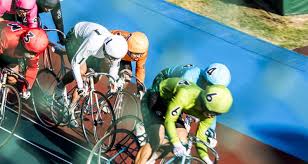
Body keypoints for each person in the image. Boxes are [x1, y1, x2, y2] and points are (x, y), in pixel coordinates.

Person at [135, 78, 233, 164]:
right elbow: (169, 121)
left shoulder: (210, 113)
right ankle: (143, 130)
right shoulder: (185, 94)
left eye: (217, 114)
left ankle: (150, 158)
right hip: (157, 97)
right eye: (211, 112)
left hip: (172, 105)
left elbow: (200, 137)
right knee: (157, 139)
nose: (211, 116)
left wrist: (206, 159)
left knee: (183, 140)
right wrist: (176, 144)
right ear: (205, 103)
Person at [54, 21, 128, 127]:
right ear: (106, 51)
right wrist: (80, 85)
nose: (112, 61)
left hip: (96, 49)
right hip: (76, 39)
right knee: (82, 72)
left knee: (95, 76)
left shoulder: (116, 48)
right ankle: (60, 88)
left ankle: (72, 102)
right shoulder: (93, 43)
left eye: (114, 59)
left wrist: (113, 81)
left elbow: (113, 68)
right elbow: (75, 63)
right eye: (110, 58)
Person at [150, 63, 231, 147]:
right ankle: (143, 128)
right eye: (211, 84)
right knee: (159, 119)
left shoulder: (211, 91)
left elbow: (211, 108)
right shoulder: (191, 75)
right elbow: (178, 100)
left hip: (181, 95)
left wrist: (210, 132)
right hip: (164, 82)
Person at [0, 21, 49, 99]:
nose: (33, 56)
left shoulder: (34, 49)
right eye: (32, 53)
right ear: (24, 46)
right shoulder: (8, 39)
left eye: (36, 53)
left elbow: (32, 69)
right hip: (3, 39)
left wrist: (25, 89)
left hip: (9, 53)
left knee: (12, 79)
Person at [111, 30, 149, 98]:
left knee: (126, 78)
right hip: (111, 50)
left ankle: (109, 99)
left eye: (141, 54)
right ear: (128, 49)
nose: (138, 57)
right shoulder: (118, 41)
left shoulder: (143, 51)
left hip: (124, 59)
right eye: (136, 54)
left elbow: (140, 69)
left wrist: (140, 87)